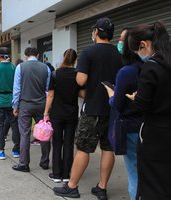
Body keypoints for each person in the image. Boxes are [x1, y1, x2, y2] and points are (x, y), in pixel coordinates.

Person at [53, 17, 123, 199]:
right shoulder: (118, 54)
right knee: (108, 148)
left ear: (97, 32)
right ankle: (102, 187)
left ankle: (72, 186)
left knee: (83, 148)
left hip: (93, 109)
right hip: (112, 109)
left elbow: (81, 80)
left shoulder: (88, 52)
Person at [126, 21, 171, 200]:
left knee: (152, 183)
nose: (138, 55)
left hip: (154, 135)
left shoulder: (150, 67)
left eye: (137, 51)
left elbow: (141, 105)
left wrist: (136, 97)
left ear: (144, 44)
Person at [104, 28, 142, 200]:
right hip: (150, 127)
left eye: (121, 39)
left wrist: (111, 95)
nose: (118, 42)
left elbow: (117, 104)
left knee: (134, 173)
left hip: (132, 129)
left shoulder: (126, 72)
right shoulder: (150, 67)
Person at [44, 49, 84, 183]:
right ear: (75, 60)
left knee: (57, 143)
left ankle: (56, 174)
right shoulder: (78, 75)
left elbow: (50, 95)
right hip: (72, 114)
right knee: (68, 143)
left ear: (64, 57)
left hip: (56, 114)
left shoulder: (55, 74)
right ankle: (66, 175)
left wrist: (45, 113)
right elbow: (82, 94)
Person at [12, 47, 51, 172]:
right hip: (41, 105)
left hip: (25, 105)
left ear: (25, 56)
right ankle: (45, 162)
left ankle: (24, 164)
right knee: (44, 133)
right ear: (38, 55)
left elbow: (17, 89)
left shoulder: (20, 67)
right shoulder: (46, 68)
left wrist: (15, 106)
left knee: (24, 134)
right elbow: (47, 89)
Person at [0, 47, 20, 160]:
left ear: (0, 56)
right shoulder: (14, 68)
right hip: (12, 99)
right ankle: (17, 150)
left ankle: (0, 151)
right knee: (15, 125)